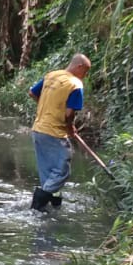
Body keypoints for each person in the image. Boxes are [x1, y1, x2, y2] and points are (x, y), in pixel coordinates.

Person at [27, 54, 91, 212]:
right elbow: (69, 114)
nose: (85, 76)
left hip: (38, 129)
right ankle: (36, 207)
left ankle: (54, 206)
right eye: (86, 72)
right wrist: (70, 127)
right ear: (79, 67)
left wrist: (49, 107)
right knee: (62, 170)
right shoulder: (75, 84)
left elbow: (32, 93)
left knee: (48, 173)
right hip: (55, 132)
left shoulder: (51, 75)